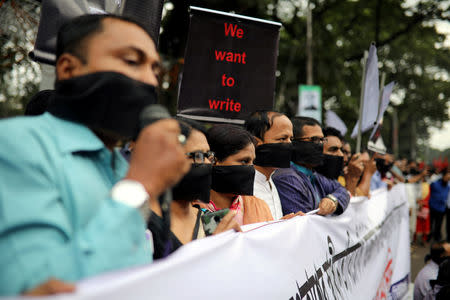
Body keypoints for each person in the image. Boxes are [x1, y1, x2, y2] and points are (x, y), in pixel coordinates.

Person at [0, 14, 191, 295]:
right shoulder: (16, 144)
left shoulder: (120, 166)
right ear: (68, 68)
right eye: (131, 61)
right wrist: (139, 187)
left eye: (156, 71)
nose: (150, 80)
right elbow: (37, 288)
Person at [147, 119, 241, 259]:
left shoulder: (212, 220)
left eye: (209, 156)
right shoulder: (142, 223)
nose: (208, 164)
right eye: (198, 156)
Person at [273, 117, 350, 216]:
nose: (320, 145)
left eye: (322, 140)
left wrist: (332, 199)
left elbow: (342, 190)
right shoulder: (287, 178)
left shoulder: (313, 175)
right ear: (294, 142)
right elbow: (305, 224)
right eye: (314, 140)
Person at [199, 124, 274, 225]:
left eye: (252, 162)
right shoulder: (192, 208)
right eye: (244, 161)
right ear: (213, 161)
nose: (251, 169)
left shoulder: (259, 206)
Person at [244, 110, 294, 219]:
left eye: (291, 139)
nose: (289, 144)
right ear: (255, 142)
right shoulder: (245, 187)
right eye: (282, 138)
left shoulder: (270, 179)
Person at [317, 127, 364, 196]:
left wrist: (352, 179)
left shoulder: (338, 181)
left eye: (341, 150)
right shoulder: (311, 184)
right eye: (333, 150)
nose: (341, 155)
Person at [429, 170, 450, 241]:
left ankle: (437, 237)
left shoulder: (448, 186)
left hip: (441, 208)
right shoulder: (435, 184)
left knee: (439, 224)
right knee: (431, 223)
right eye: (446, 177)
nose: (447, 179)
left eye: (448, 178)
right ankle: (429, 236)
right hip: (433, 207)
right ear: (443, 176)